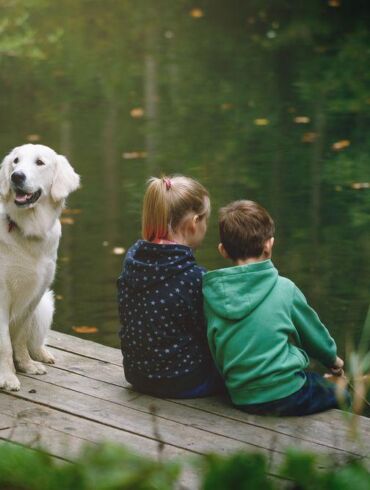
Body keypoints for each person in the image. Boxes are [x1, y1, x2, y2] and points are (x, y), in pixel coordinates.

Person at [203, 200, 349, 416]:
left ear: (223, 250)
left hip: (241, 396)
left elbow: (215, 347)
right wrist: (333, 361)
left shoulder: (211, 294)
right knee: (342, 392)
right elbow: (313, 337)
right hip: (287, 395)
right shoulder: (285, 289)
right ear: (269, 245)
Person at [117, 175, 223, 398]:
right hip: (183, 381)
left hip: (136, 375)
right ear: (194, 223)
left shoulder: (132, 261)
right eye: (205, 219)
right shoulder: (195, 277)